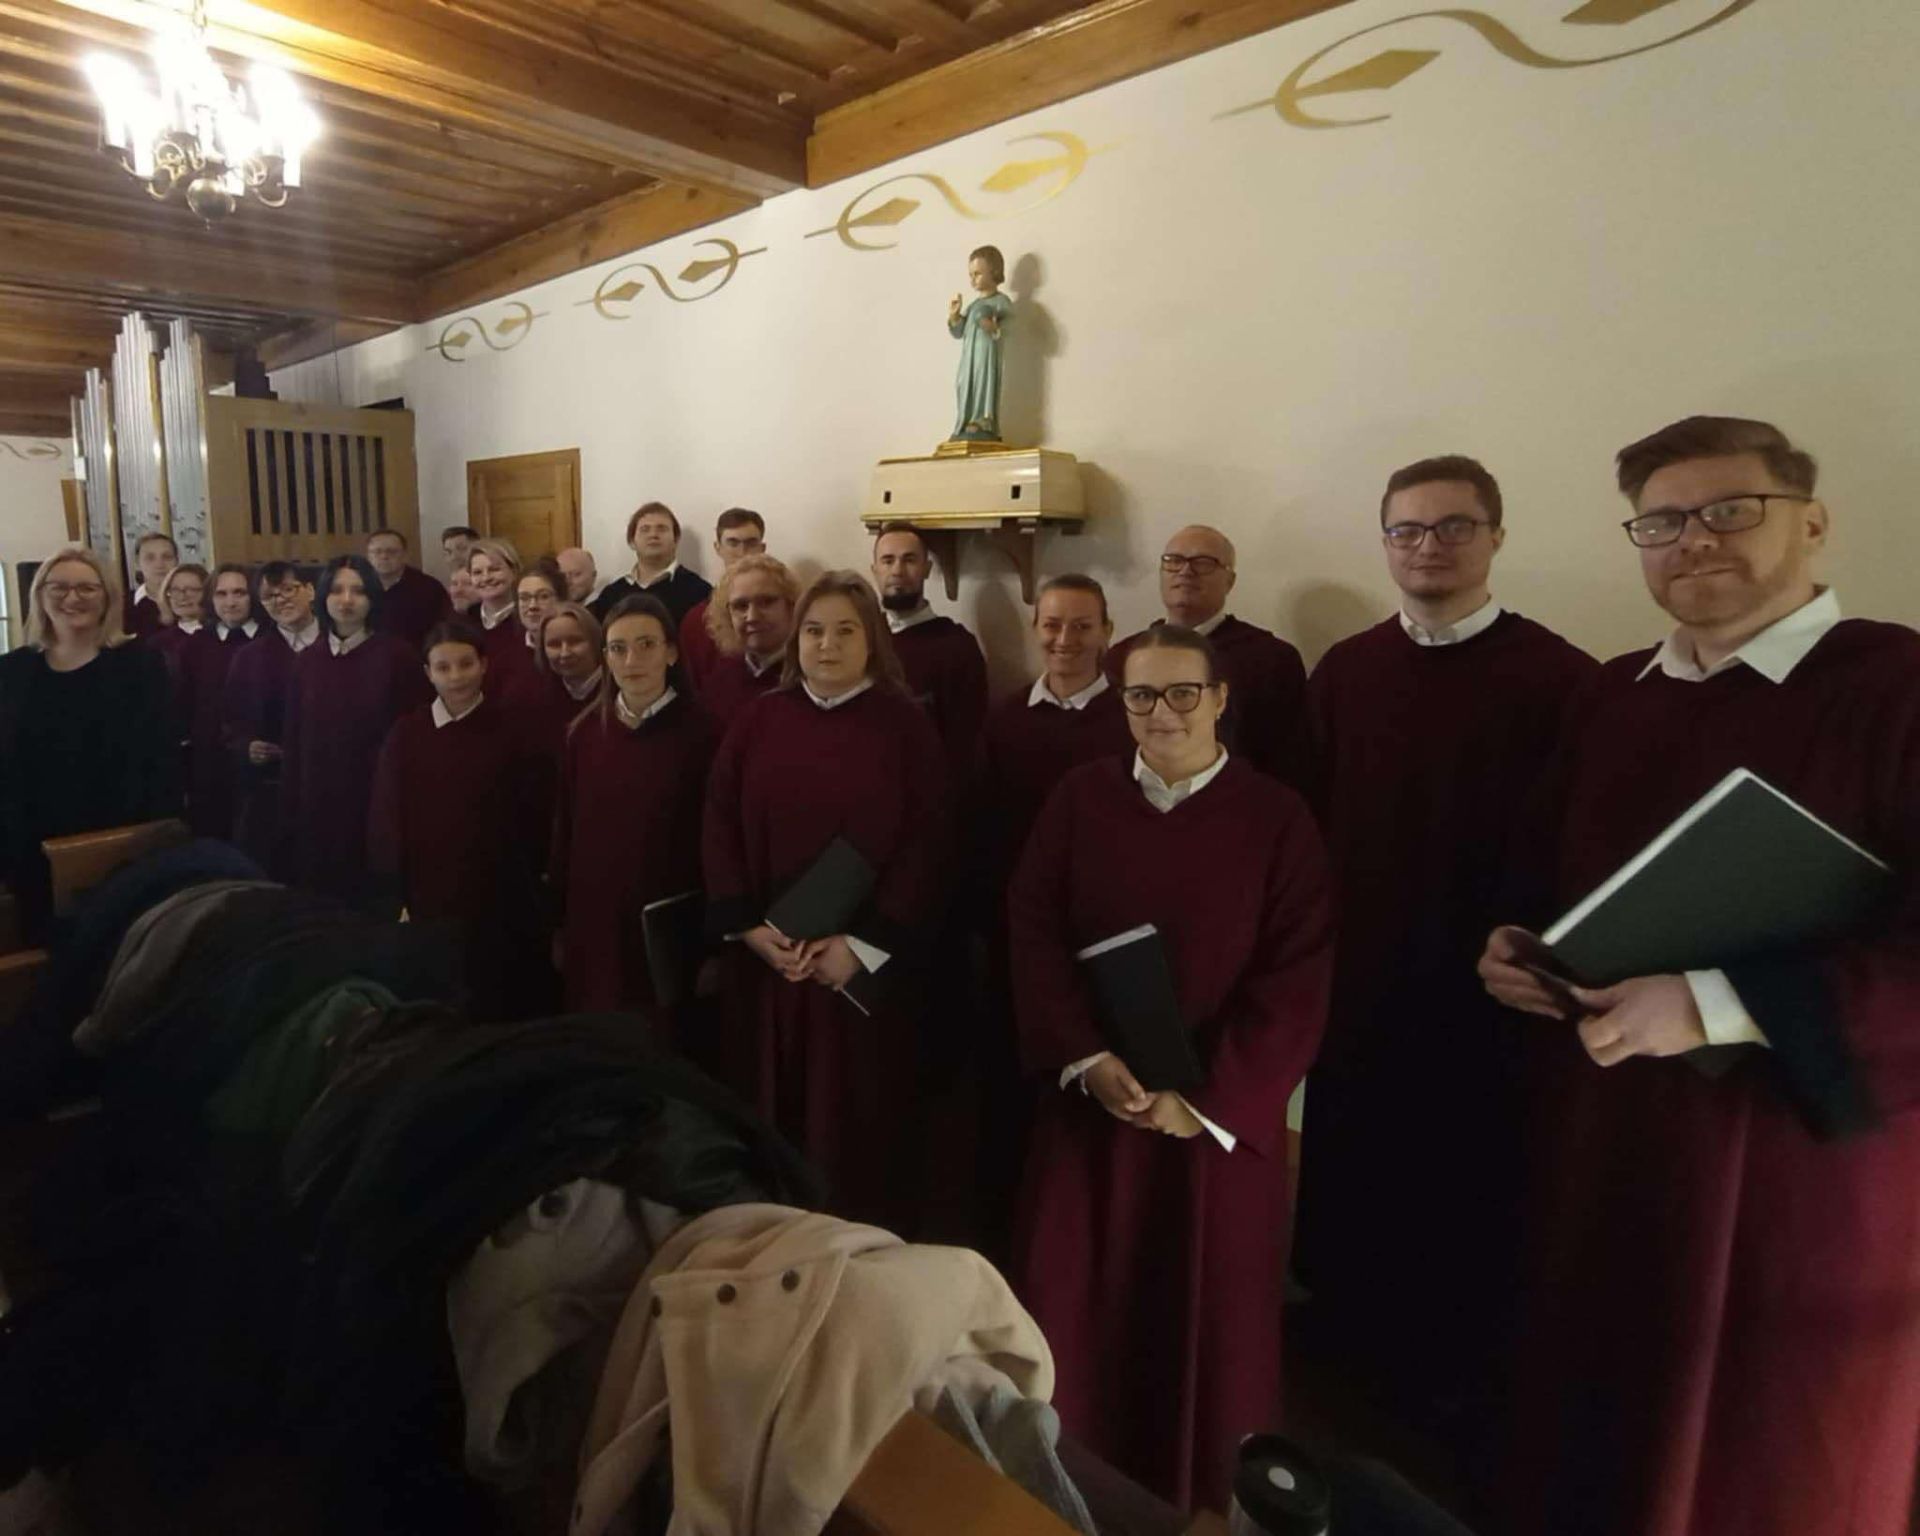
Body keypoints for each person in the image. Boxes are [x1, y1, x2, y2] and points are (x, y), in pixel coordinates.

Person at [1476, 417, 1920, 1536]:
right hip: (1611, 1140)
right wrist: (1518, 950)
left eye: (1731, 510)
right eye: (1663, 521)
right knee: (1594, 1429)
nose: (1695, 540)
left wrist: (1715, 1002)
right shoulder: (1615, 695)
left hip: (1796, 1162)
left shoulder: (1898, 686)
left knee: (1765, 1463)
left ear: (1813, 523)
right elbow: (1552, 875)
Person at [1291, 457, 1597, 1457]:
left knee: (1467, 1184)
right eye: (1408, 530)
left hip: (1488, 991)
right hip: (1361, 976)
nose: (1429, 547)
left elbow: (1580, 841)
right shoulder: (1347, 672)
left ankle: (1450, 1380)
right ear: (1384, 542)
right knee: (1353, 1164)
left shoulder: (1561, 679)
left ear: (1496, 537)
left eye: (1454, 527)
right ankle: (1343, 1336)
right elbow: (1307, 822)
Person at [1008, 624, 1332, 1514]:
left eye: (1183, 692)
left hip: (1215, 1126)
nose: (1163, 712)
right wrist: (1085, 1057)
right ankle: (1073, 1481)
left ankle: (1197, 1494)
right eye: (1142, 695)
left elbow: (1298, 975)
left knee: (1208, 1323)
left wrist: (1204, 1101)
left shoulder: (1278, 818)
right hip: (1094, 1108)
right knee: (1078, 1302)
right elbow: (1034, 929)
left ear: (1220, 699)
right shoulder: (1079, 799)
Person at [702, 571, 949, 1228]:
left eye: (845, 631)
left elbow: (928, 842)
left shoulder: (906, 727)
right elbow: (719, 819)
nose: (827, 645)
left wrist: (862, 946)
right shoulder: (760, 719)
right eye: (814, 630)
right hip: (769, 963)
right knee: (766, 1115)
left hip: (857, 973)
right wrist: (747, 927)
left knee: (852, 1127)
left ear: (872, 641)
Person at [969, 574, 1131, 1258]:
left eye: (1082, 625)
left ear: (1107, 633)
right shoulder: (1005, 720)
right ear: (1035, 629)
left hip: (1103, 940)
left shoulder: (1129, 721)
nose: (1066, 639)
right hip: (1017, 937)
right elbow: (980, 829)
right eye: (1053, 625)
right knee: (1013, 1089)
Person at [0, 548, 178, 941]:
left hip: (121, 845)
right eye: (59, 587)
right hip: (31, 849)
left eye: (86, 588)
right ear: (40, 596)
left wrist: (155, 843)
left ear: (107, 597)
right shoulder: (11, 671)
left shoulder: (141, 665)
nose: (72, 598)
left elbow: (161, 760)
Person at [552, 595, 717, 1019]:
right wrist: (560, 924)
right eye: (618, 648)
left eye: (646, 645)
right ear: (605, 657)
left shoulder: (705, 734)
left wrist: (716, 943)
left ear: (671, 652)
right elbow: (566, 835)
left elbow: (719, 846)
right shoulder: (584, 734)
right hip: (594, 923)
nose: (632, 660)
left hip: (668, 927)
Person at [370, 619, 540, 1020]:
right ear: (428, 673)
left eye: (465, 664)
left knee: (495, 997)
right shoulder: (407, 734)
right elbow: (387, 816)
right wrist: (394, 892)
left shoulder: (512, 730)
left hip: (497, 896)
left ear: (484, 665)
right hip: (428, 893)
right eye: (443, 667)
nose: (456, 676)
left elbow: (529, 817)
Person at [1108, 525, 1310, 791]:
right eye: (1173, 561)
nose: (1185, 571)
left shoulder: (1272, 659)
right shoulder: (1123, 657)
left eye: (1203, 563)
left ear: (1230, 581)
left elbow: (1290, 760)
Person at [279, 555, 431, 902]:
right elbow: (295, 740)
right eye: (336, 590)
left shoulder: (398, 657)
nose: (346, 600)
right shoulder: (307, 662)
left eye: (358, 591)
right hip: (318, 806)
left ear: (372, 597)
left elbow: (414, 739)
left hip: (376, 801)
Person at [223, 561, 319, 870]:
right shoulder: (249, 657)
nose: (281, 600)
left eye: (288, 590)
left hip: (330, 786)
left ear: (311, 590)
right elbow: (231, 721)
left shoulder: (338, 646)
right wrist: (246, 746)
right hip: (272, 789)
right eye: (269, 596)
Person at [871, 522, 988, 774]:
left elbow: (965, 745)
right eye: (888, 561)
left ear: (927, 568)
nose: (897, 570)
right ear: (875, 570)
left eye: (909, 560)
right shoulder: (861, 637)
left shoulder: (957, 646)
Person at [178, 562, 257, 838]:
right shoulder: (195, 645)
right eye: (221, 594)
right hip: (209, 764)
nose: (230, 602)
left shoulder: (270, 639)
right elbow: (185, 705)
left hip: (258, 764)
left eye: (239, 593)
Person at [699, 553, 796, 729]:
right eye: (741, 606)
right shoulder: (720, 679)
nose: (752, 617)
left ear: (792, 606)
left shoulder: (809, 679)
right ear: (727, 615)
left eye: (766, 602)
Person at [678, 508, 766, 686]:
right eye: (733, 543)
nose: (742, 551)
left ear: (762, 548)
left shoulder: (782, 611)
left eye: (751, 543)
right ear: (718, 548)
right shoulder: (697, 620)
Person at [589, 502, 711, 627]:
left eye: (662, 529)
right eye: (645, 529)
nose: (653, 535)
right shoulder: (610, 595)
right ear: (632, 541)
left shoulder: (701, 592)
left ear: (676, 539)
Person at [946, 243, 1013, 443]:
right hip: (969, 357)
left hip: (987, 355)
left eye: (978, 274)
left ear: (994, 272)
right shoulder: (974, 305)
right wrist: (955, 316)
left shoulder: (1001, 302)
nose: (973, 279)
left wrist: (993, 327)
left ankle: (984, 421)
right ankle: (965, 420)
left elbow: (1012, 329)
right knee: (963, 383)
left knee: (984, 382)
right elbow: (959, 332)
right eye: (971, 275)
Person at [365, 528, 451, 652]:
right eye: (377, 552)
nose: (384, 556)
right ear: (368, 556)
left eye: (392, 552)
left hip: (416, 656)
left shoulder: (428, 587)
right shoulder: (359, 586)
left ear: (405, 555)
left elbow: (442, 629)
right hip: (370, 656)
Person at [123, 530, 178, 640]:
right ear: (137, 564)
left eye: (167, 557)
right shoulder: (122, 606)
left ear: (176, 561)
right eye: (150, 558)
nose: (159, 564)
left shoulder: (190, 602)